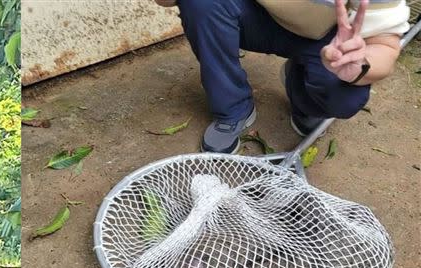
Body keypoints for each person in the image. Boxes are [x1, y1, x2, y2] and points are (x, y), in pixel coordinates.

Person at [154, 0, 411, 154]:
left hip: (327, 40)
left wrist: (358, 66)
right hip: (250, 15)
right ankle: (233, 108)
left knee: (343, 94)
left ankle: (303, 93)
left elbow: (385, 46)